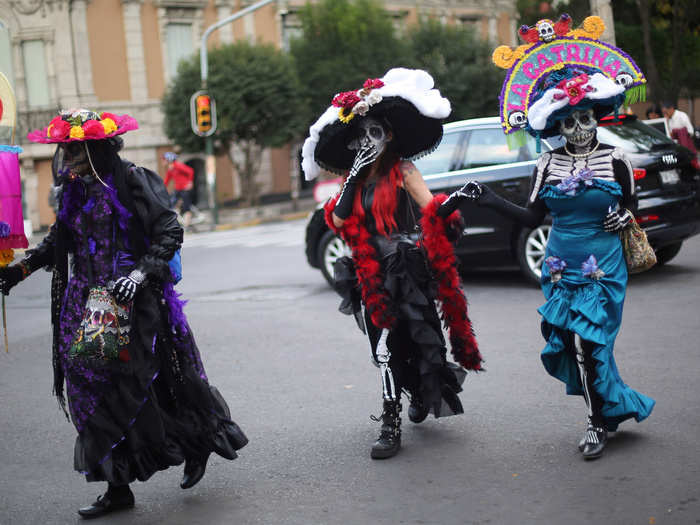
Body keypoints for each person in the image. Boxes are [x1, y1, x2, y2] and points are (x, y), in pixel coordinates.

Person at [0, 110, 247, 518]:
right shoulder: (73, 192)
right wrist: (18, 270)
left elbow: (170, 230)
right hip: (85, 304)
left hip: (126, 302)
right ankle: (117, 488)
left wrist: (138, 273)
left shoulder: (133, 179)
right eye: (65, 150)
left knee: (155, 386)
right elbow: (57, 243)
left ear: (96, 147)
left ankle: (196, 443)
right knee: (88, 392)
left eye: (74, 149)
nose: (67, 158)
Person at [481, 17, 655, 460]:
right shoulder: (546, 164)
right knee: (576, 342)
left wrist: (623, 219)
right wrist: (489, 200)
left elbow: (630, 207)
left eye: (585, 118)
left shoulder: (616, 158)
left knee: (593, 341)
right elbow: (532, 216)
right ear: (558, 123)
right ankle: (600, 416)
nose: (579, 128)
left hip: (604, 263)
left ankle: (601, 416)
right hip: (560, 263)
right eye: (570, 121)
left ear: (596, 116)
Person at [302, 68, 483, 459]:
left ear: (389, 135)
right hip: (370, 272)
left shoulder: (403, 170)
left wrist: (457, 203)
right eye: (363, 135)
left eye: (377, 132)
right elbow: (336, 220)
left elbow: (431, 209)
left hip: (407, 266)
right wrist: (353, 174)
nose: (370, 140)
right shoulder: (354, 181)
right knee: (382, 347)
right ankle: (391, 419)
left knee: (418, 339)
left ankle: (416, 393)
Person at [162, 151, 195, 230]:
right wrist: (161, 188)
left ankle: (187, 224)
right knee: (173, 205)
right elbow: (167, 180)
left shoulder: (178, 165)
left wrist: (190, 182)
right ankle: (178, 221)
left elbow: (190, 171)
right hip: (178, 189)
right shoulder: (171, 169)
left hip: (185, 189)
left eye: (164, 159)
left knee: (186, 207)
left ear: (169, 159)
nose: (163, 161)